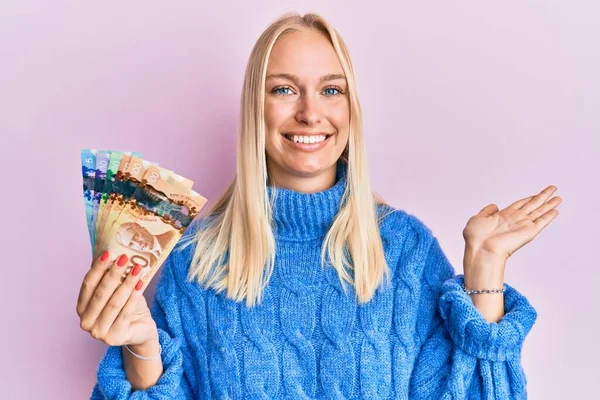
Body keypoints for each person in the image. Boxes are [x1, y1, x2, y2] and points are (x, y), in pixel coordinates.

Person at [77, 12, 561, 399]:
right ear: (255, 108)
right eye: (284, 89)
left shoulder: (405, 250)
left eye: (331, 89)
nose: (310, 112)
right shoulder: (196, 261)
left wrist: (485, 269)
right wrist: (142, 347)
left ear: (351, 109)